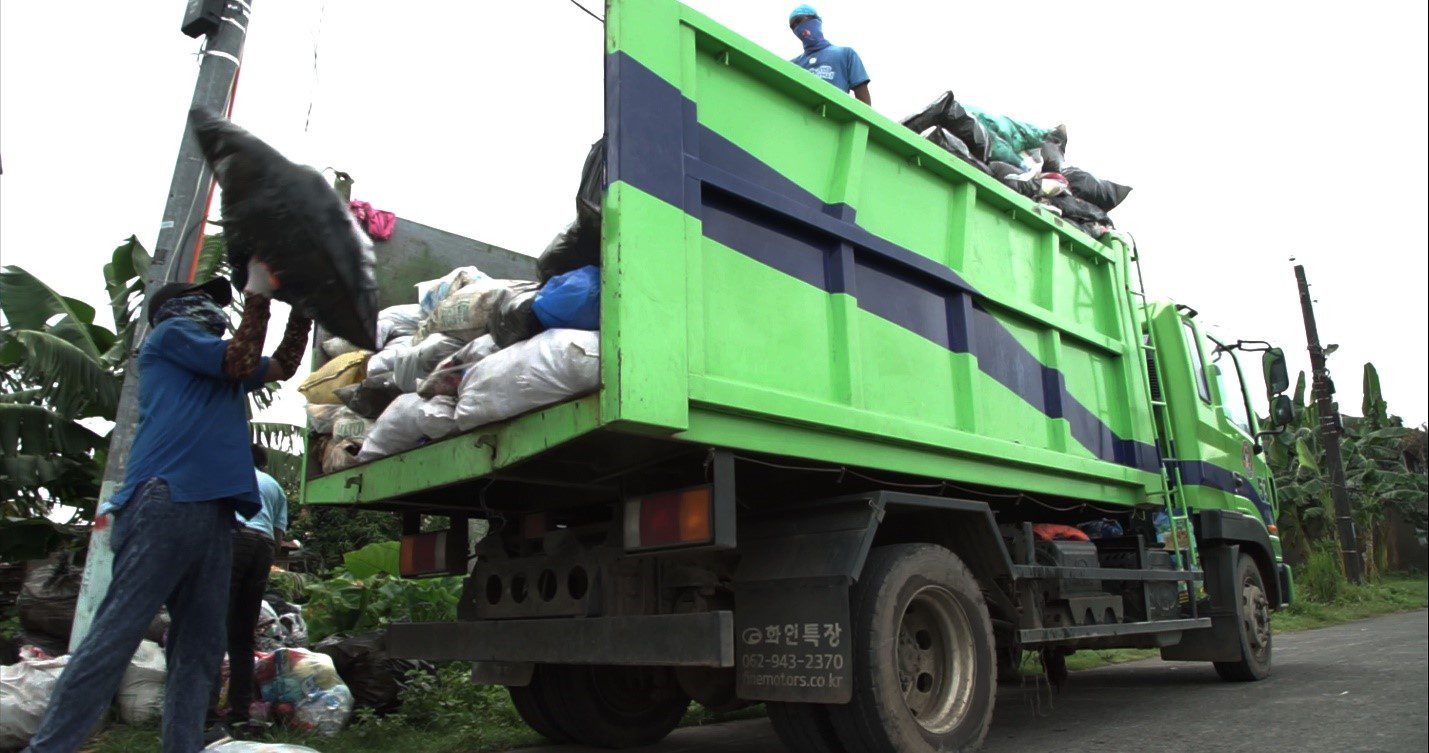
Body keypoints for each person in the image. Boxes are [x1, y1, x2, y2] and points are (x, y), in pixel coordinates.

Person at [24, 263, 310, 753]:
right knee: (115, 638)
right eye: (205, 298)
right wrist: (259, 292)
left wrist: (303, 314)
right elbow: (243, 360)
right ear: (175, 308)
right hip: (167, 500)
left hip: (214, 512)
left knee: (199, 652)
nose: (214, 307)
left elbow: (279, 366)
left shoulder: (217, 364)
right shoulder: (173, 335)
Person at [208, 445, 291, 735]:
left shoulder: (231, 475)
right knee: (242, 635)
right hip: (263, 548)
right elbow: (278, 537)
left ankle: (206, 711)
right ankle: (239, 712)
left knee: (214, 627)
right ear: (263, 465)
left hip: (234, 539)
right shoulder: (274, 487)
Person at [788, 5, 872, 105]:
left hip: (834, 118)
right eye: (793, 26)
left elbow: (863, 101)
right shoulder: (793, 65)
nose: (797, 27)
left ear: (816, 20)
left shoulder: (845, 54)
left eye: (799, 20)